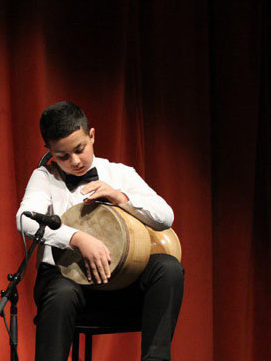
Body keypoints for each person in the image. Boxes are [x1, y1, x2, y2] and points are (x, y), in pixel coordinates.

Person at [16, 102, 184, 361]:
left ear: (91, 136)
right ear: (49, 151)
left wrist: (121, 198)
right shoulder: (45, 177)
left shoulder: (120, 173)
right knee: (61, 293)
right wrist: (77, 238)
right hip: (69, 286)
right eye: (62, 156)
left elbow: (166, 216)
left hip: (120, 287)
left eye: (80, 149)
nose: (75, 161)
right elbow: (25, 220)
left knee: (168, 267)